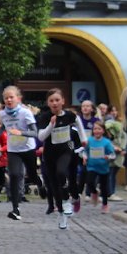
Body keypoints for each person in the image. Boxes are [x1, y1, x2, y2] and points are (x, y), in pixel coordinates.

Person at [36, 89, 85, 229]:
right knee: (54, 186)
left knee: (62, 173)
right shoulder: (44, 117)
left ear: (63, 101)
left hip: (66, 150)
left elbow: (78, 124)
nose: (55, 103)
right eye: (51, 101)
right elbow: (41, 137)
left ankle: (67, 200)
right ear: (48, 103)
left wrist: (84, 140)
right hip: (50, 154)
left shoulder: (70, 115)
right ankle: (62, 215)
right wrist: (51, 124)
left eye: (57, 100)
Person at [0, 86, 40, 221]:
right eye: (6, 98)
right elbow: (4, 127)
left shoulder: (25, 113)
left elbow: (35, 133)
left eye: (12, 97)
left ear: (18, 98)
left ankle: (41, 185)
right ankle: (15, 208)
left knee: (32, 175)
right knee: (14, 175)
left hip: (28, 148)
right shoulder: (2, 114)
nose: (9, 100)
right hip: (13, 149)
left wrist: (21, 133)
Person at [83, 121, 116, 215]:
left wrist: (108, 157)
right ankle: (94, 192)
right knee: (89, 182)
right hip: (92, 166)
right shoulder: (89, 140)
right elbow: (84, 151)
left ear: (103, 131)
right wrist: (84, 157)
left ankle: (105, 205)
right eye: (95, 129)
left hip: (103, 167)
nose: (96, 131)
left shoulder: (106, 142)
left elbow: (113, 155)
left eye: (99, 129)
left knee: (104, 187)